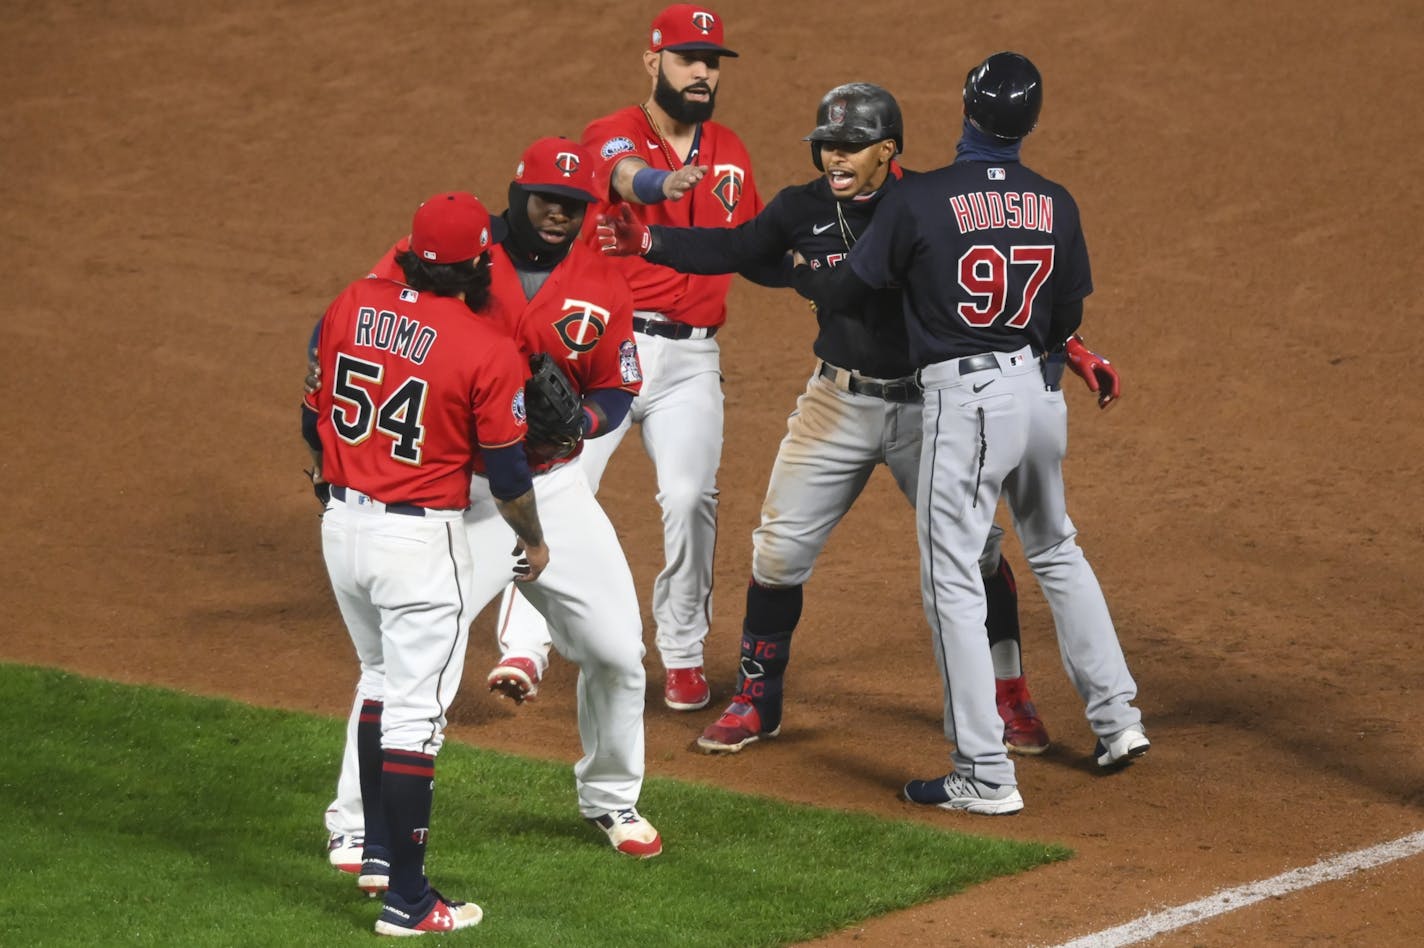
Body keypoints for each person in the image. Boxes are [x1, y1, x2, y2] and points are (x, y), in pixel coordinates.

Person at [598, 82, 1096, 755]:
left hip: (930, 408)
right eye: (827, 144)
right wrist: (650, 240)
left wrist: (1068, 346)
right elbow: (736, 248)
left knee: (978, 555)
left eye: (852, 145)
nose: (836, 156)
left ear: (888, 150)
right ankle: (757, 698)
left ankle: (1010, 696)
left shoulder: (926, 205)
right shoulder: (800, 208)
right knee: (776, 552)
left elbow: (1004, 300)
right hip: (836, 401)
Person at [791, 52, 1147, 816]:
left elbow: (850, 288)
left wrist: (806, 271)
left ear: (965, 108)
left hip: (968, 402)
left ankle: (983, 771)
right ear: (1031, 123)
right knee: (1056, 548)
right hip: (1038, 393)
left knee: (951, 577)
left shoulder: (923, 200)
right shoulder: (1055, 201)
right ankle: (1119, 721)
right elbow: (1066, 318)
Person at [324, 138, 662, 868]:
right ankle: (354, 824)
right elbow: (382, 326)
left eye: (573, 207)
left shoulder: (604, 280)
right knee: (413, 674)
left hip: (553, 489)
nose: (558, 216)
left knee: (618, 653)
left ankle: (611, 797)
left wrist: (582, 421)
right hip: (460, 496)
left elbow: (618, 387)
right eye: (546, 201)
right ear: (516, 195)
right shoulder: (461, 254)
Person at [488, 3, 765, 713]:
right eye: (686, 58)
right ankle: (524, 643)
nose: (701, 72)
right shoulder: (613, 133)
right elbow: (624, 176)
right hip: (604, 347)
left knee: (690, 497)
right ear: (654, 62)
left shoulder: (730, 149)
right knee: (556, 481)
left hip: (692, 359)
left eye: (711, 61)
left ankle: (680, 652)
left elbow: (753, 243)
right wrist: (659, 186)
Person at [303, 191, 547, 933]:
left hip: (342, 528)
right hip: (417, 542)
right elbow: (506, 480)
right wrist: (533, 540)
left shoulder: (350, 302)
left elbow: (310, 416)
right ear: (479, 266)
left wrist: (332, 479)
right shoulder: (484, 348)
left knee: (380, 680)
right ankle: (409, 901)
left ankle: (377, 853)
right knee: (417, 718)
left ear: (409, 253)